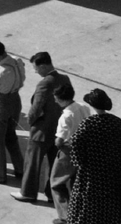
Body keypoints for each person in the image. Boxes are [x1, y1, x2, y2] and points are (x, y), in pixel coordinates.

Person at [68, 89, 121, 224]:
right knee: (113, 209)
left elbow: (75, 141)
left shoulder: (88, 123)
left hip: (92, 175)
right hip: (115, 174)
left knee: (89, 208)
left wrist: (80, 161)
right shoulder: (116, 121)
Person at [14, 51, 72, 204]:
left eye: (36, 68)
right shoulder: (65, 78)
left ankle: (27, 192)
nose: (35, 71)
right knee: (53, 164)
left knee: (32, 163)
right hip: (58, 129)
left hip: (41, 130)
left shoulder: (44, 83)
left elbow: (36, 107)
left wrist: (31, 121)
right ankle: (52, 194)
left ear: (44, 66)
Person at [0, 40, 26, 184]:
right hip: (15, 100)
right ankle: (20, 168)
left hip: (1, 103)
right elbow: (23, 78)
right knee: (10, 135)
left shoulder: (0, 70)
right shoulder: (17, 61)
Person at [51, 82, 92, 223]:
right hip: (84, 149)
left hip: (68, 152)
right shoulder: (83, 107)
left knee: (57, 183)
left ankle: (65, 218)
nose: (55, 101)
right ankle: (77, 213)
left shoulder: (66, 116)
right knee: (76, 184)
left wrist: (58, 143)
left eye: (56, 98)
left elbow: (59, 141)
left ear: (61, 99)